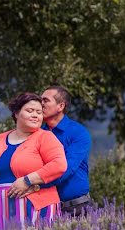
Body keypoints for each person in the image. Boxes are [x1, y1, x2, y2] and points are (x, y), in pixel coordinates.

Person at [0, 93, 67, 229]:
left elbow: (59, 164)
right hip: (1, 209)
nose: (35, 115)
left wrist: (27, 180)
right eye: (29, 111)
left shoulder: (45, 137)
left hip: (37, 207)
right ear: (17, 113)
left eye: (39, 112)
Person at [34, 86, 93, 216]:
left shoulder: (78, 133)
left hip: (77, 208)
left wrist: (33, 185)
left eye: (45, 100)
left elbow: (65, 169)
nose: (40, 104)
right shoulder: (36, 134)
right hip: (44, 207)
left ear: (61, 106)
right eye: (40, 100)